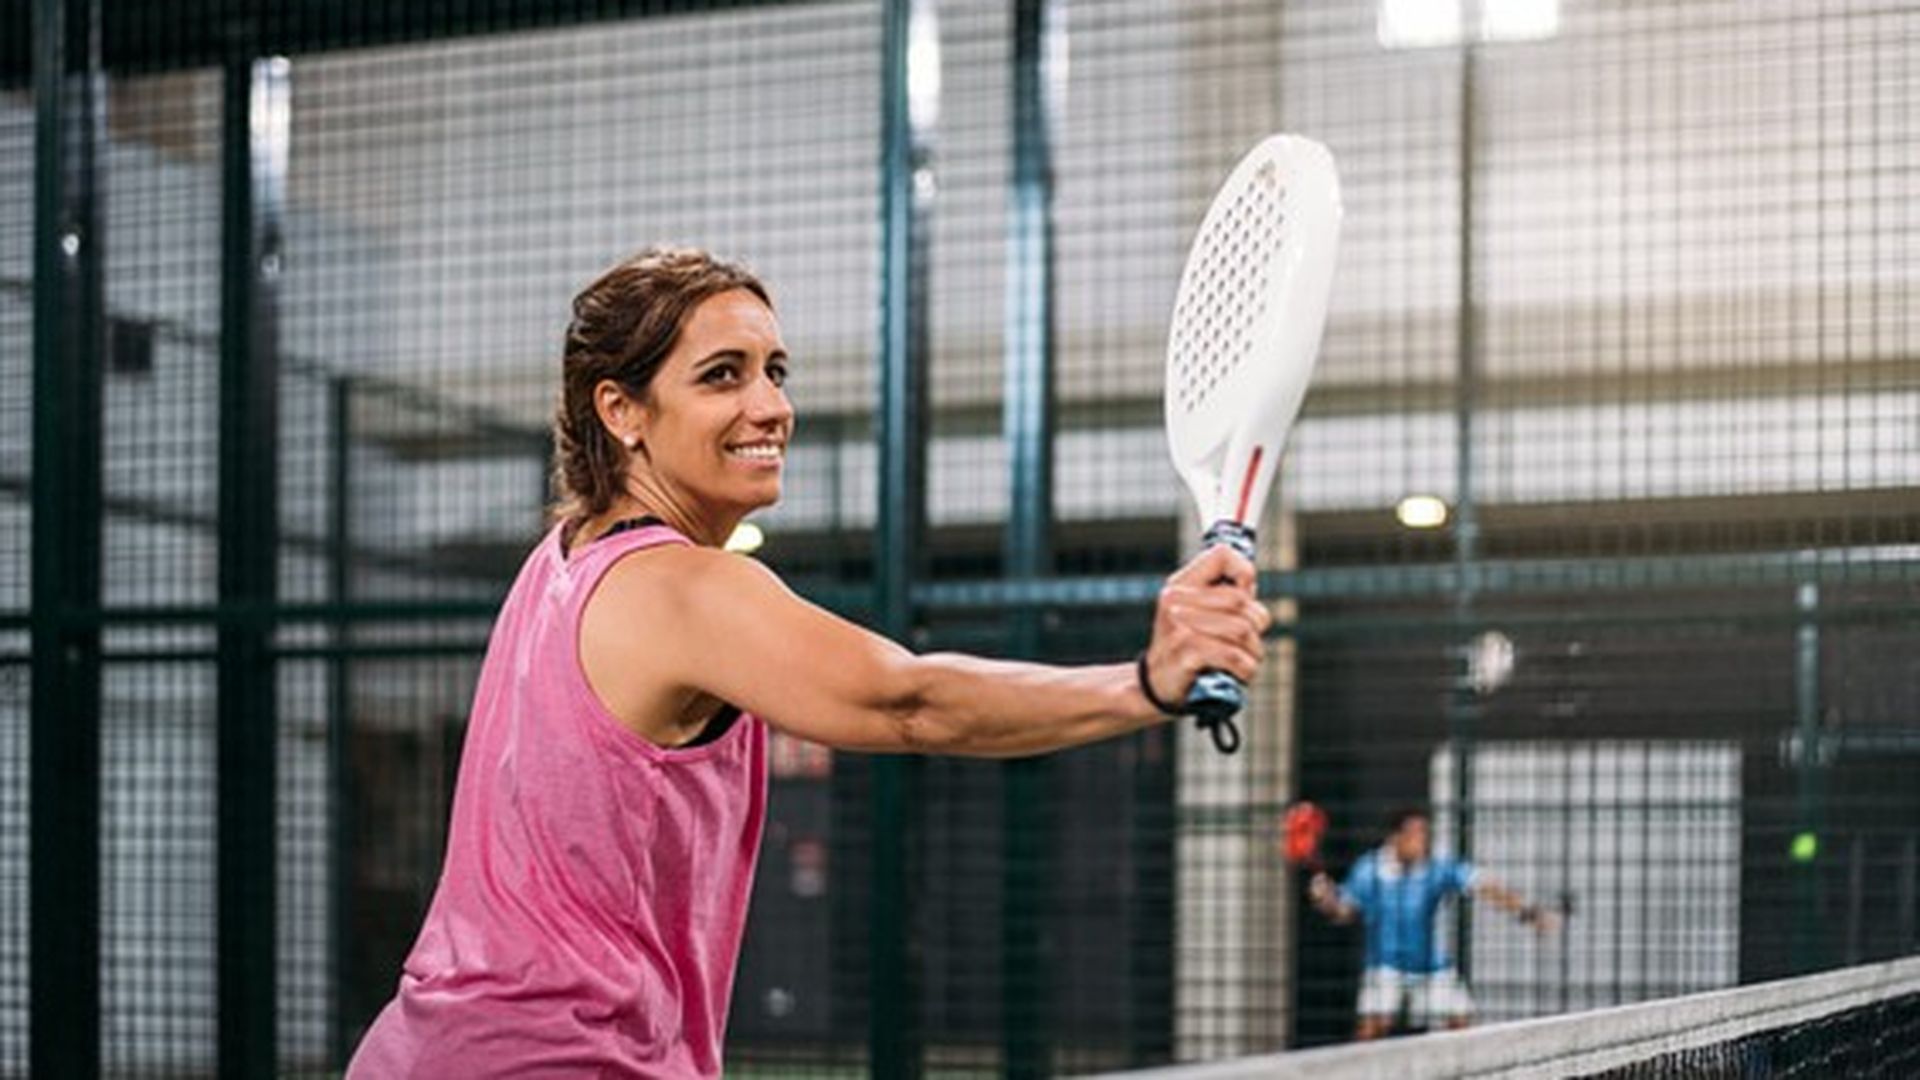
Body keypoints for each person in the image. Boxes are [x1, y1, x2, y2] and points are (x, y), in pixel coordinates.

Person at [346, 246, 1272, 1078]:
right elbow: (907, 702)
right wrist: (1147, 682)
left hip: (425, 1048)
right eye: (722, 376)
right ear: (621, 410)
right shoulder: (683, 586)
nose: (772, 406)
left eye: (774, 371)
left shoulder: (559, 565)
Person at [1307, 806, 1558, 1041]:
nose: (1422, 840)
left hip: (1430, 964)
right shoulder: (1369, 868)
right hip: (1384, 964)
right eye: (1414, 834)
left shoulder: (1437, 866)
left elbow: (1485, 886)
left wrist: (1528, 913)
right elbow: (1344, 911)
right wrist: (1326, 899)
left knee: (1461, 1025)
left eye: (1424, 833)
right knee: (1371, 1029)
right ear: (1395, 836)